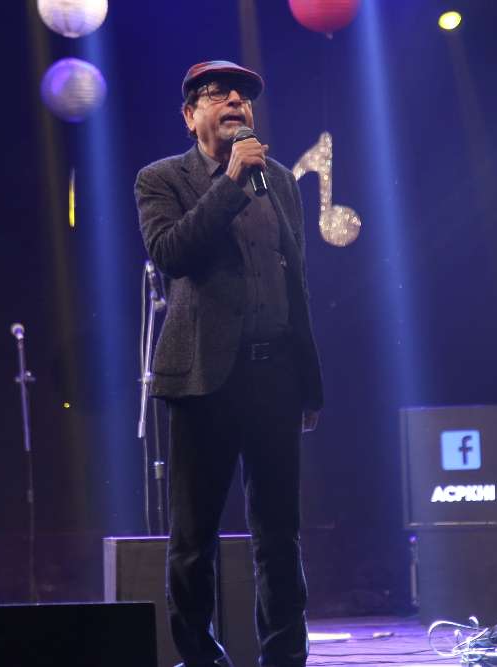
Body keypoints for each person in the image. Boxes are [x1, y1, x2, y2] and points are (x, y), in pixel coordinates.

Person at [135, 60, 324, 667]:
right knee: (195, 537)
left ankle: (284, 658)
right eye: (218, 94)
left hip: (275, 376)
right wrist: (231, 181)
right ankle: (200, 658)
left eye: (243, 95)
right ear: (189, 116)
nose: (236, 102)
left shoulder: (281, 181)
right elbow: (171, 253)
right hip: (203, 379)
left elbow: (295, 283)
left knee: (279, 533)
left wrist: (308, 383)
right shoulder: (162, 178)